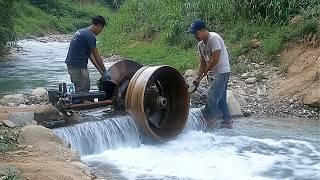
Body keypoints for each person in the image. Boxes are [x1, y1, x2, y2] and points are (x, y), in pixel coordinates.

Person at [188, 19, 233, 129]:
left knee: (211, 96)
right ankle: (228, 121)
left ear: (203, 30)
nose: (196, 36)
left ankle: (211, 122)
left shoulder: (214, 38)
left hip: (222, 72)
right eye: (194, 34)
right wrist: (198, 77)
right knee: (221, 98)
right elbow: (203, 63)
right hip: (213, 73)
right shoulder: (200, 45)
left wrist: (204, 73)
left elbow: (215, 59)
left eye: (197, 33)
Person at [65, 15, 107, 93]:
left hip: (73, 64)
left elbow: (91, 55)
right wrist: (105, 72)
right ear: (99, 25)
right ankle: (81, 103)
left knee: (85, 87)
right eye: (101, 29)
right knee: (82, 90)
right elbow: (96, 56)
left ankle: (82, 102)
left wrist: (101, 72)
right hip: (78, 66)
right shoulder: (90, 36)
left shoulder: (82, 31)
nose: (100, 31)